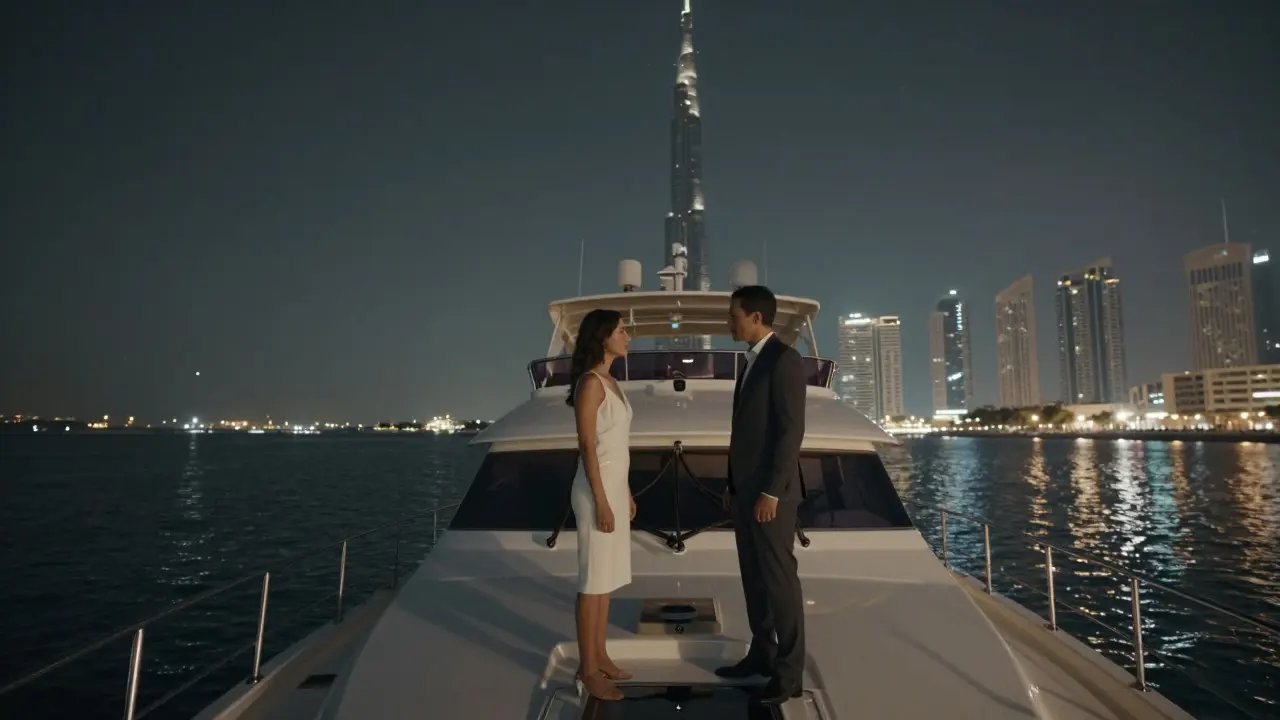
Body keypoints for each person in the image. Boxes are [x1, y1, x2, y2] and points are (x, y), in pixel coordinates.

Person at [716, 284, 808, 705]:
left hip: (771, 496)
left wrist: (771, 491)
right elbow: (747, 434)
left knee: (779, 583)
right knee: (754, 579)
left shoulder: (783, 360)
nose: (728, 321)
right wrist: (733, 485)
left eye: (733, 314)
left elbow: (790, 433)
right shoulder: (751, 363)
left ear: (756, 317)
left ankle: (789, 676)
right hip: (746, 493)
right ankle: (761, 655)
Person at [565, 308, 636, 701]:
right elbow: (587, 446)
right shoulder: (591, 384)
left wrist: (623, 492)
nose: (628, 337)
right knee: (592, 583)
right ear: (603, 336)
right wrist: (602, 500)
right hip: (594, 491)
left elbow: (616, 446)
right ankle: (588, 671)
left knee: (605, 582)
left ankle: (601, 656)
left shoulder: (611, 380)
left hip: (611, 487)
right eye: (622, 331)